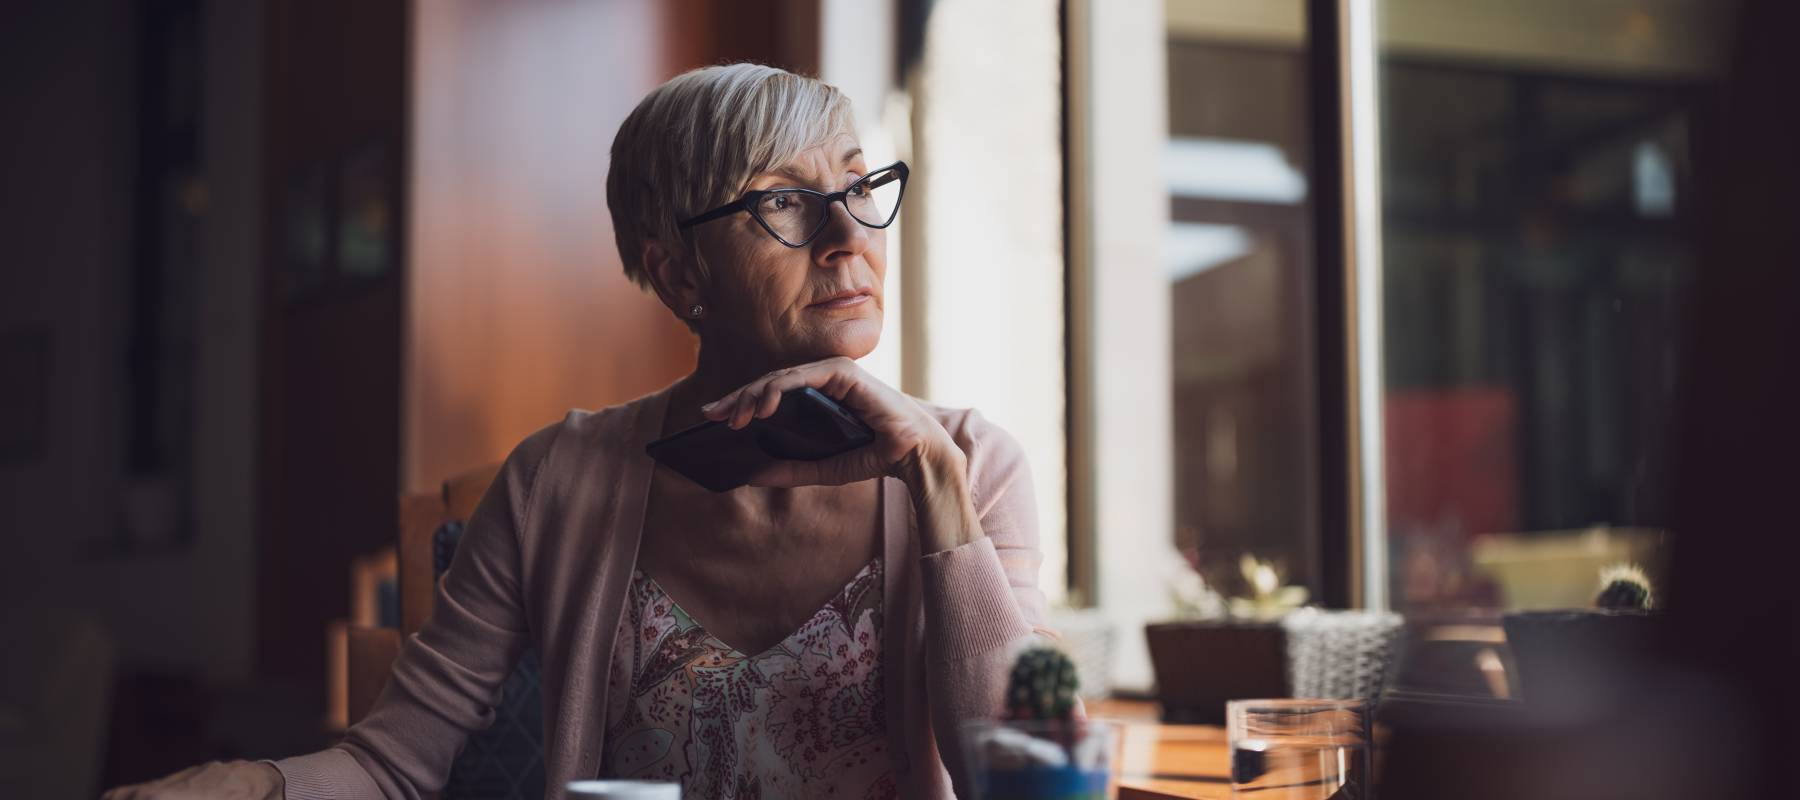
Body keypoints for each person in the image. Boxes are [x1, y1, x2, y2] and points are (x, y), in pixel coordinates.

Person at [105, 62, 1052, 800]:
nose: (848, 234)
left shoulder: (973, 466)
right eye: (782, 202)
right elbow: (398, 765)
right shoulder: (556, 480)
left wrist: (934, 483)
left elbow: (1022, 782)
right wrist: (257, 780)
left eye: (857, 185)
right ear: (679, 275)